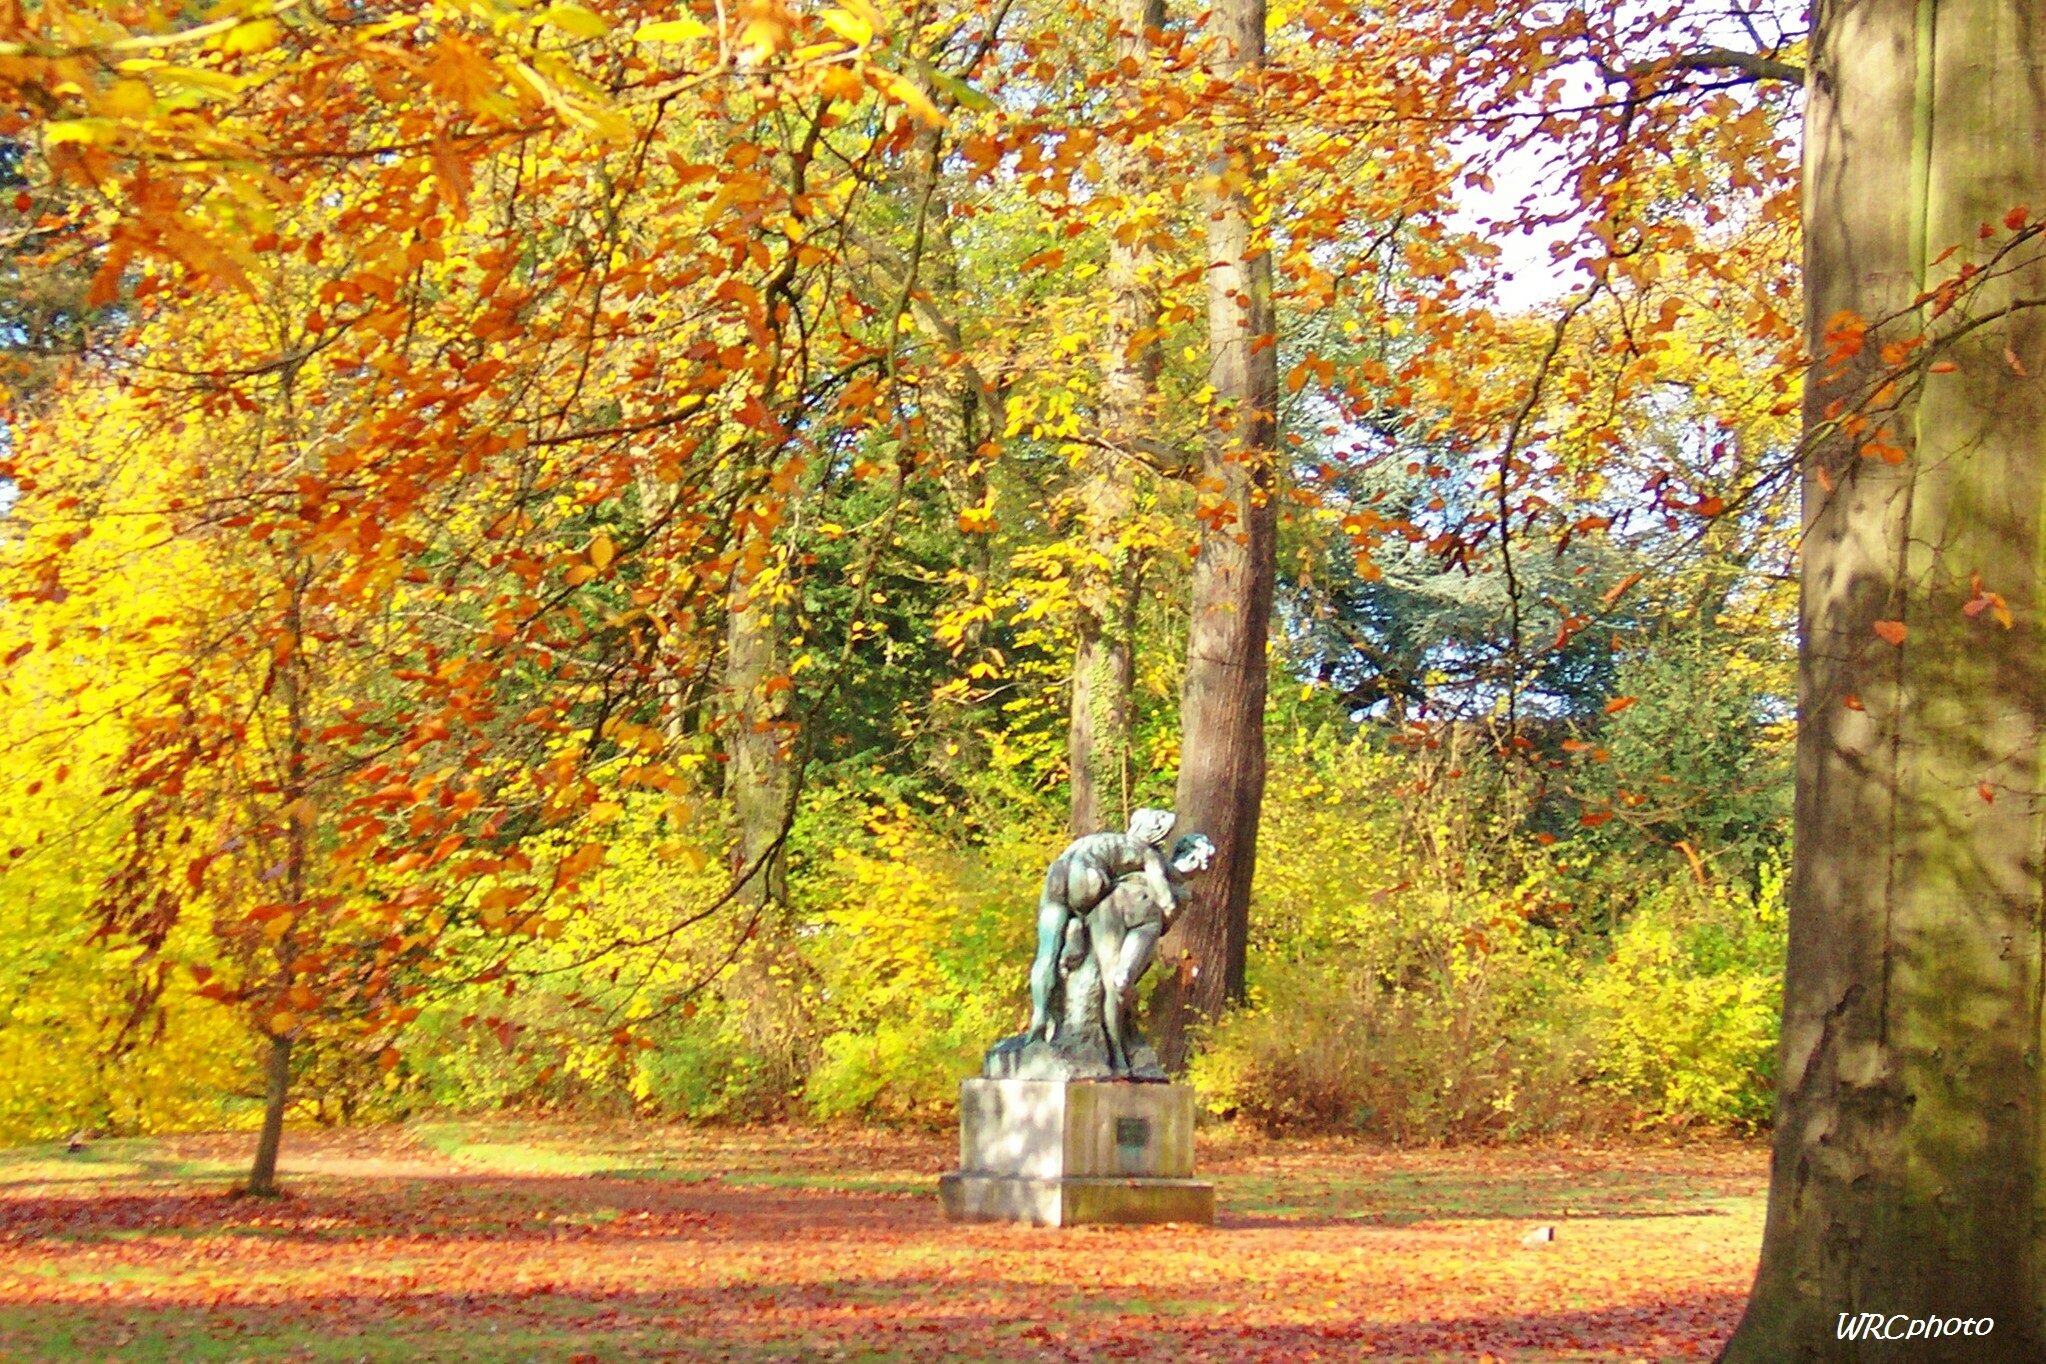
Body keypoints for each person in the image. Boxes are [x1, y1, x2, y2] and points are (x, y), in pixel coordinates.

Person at [1024, 808, 1176, 1044]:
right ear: (1156, 835)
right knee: (1103, 899)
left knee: (1046, 953)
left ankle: (1040, 1014)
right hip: (1089, 875)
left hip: (1060, 868)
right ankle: (1079, 923)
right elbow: (1162, 889)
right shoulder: (1146, 852)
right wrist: (1168, 906)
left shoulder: (1105, 839)